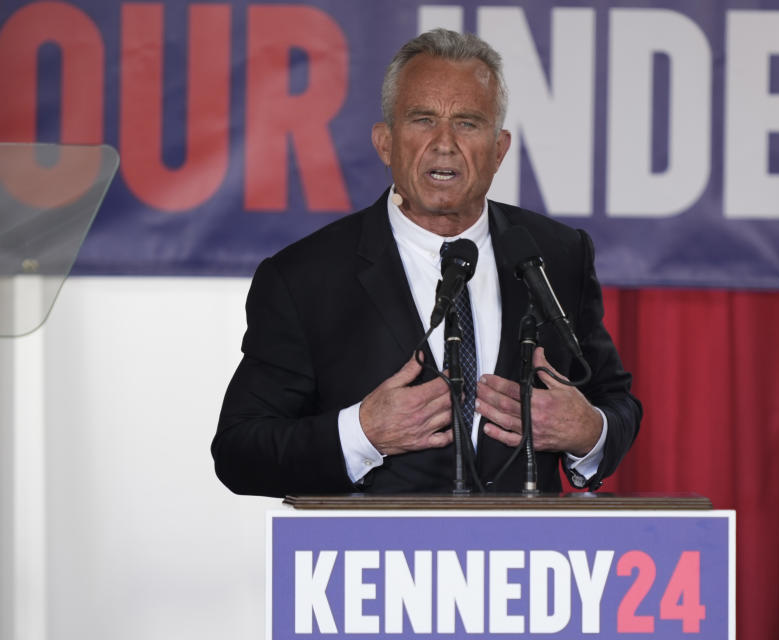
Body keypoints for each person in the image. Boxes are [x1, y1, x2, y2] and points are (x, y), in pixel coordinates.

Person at [212, 29, 641, 497]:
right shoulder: (305, 277)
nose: (444, 143)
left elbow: (615, 403)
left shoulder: (558, 254)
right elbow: (240, 451)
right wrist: (361, 434)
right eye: (422, 120)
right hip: (373, 563)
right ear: (385, 143)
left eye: (468, 123)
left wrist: (588, 432)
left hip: (528, 561)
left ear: (499, 150)